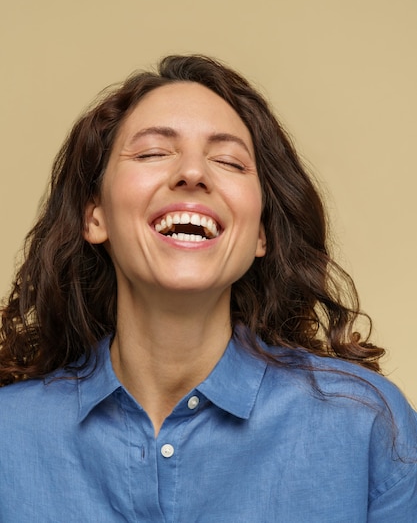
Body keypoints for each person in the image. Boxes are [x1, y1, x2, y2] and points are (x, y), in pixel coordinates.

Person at [0, 55, 416, 522]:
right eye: (153, 152)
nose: (193, 173)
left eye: (228, 161)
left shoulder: (366, 425)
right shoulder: (6, 436)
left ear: (261, 234)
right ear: (94, 216)